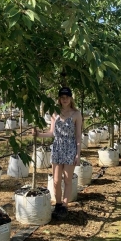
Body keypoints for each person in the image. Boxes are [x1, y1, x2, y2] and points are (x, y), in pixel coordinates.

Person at [32, 86, 82, 219]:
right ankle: (58, 204)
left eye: (67, 97)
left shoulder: (76, 114)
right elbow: (51, 133)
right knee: (55, 180)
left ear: (71, 98)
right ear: (59, 99)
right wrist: (38, 134)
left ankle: (64, 206)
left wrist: (78, 153)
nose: (65, 99)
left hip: (70, 147)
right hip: (58, 147)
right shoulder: (55, 112)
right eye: (62, 97)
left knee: (67, 179)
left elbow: (78, 135)